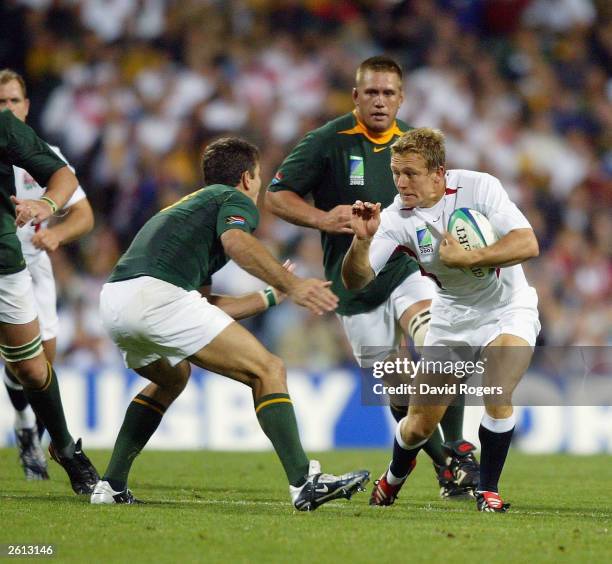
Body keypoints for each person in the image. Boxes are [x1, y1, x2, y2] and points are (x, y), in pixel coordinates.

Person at [91, 136, 370, 510]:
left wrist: (269, 297)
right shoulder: (232, 200)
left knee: (173, 376)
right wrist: (292, 284)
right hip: (157, 298)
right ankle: (305, 481)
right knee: (268, 369)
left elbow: (201, 305)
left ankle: (111, 485)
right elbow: (237, 241)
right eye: (259, 176)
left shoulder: (191, 209)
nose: (259, 185)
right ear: (246, 178)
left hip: (116, 302)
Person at [266, 55, 478, 497]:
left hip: (406, 266)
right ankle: (446, 468)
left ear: (401, 98)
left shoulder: (417, 146)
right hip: (354, 280)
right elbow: (276, 195)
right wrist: (324, 219)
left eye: (388, 93)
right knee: (398, 384)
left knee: (437, 336)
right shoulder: (328, 141)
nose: (380, 101)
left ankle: (459, 453)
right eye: (371, 93)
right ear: (356, 97)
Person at [342, 127, 540, 512]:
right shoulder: (395, 218)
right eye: (396, 172)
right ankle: (393, 477)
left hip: (508, 307)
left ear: (438, 173)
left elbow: (527, 243)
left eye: (411, 173)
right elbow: (357, 281)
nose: (401, 182)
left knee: (498, 389)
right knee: (419, 424)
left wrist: (468, 258)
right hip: (451, 318)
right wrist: (361, 241)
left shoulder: (480, 188)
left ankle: (488, 489)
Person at [0, 68, 95, 481]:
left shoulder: (43, 152)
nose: (7, 108)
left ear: (26, 105)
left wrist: (55, 232)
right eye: (0, 102)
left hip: (29, 265)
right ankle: (32, 431)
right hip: (10, 258)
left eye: (13, 101)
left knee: (39, 364)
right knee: (24, 362)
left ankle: (32, 430)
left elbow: (84, 215)